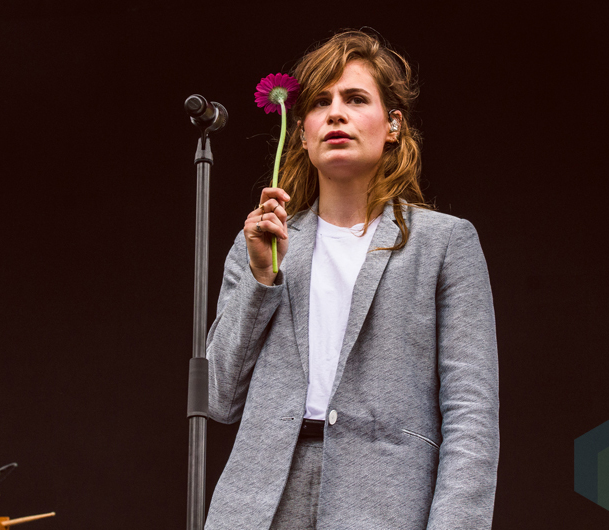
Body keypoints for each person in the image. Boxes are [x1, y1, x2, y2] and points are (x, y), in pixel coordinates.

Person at [204, 30, 499, 530]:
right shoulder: (262, 242)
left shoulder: (445, 243)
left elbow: (472, 415)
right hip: (259, 504)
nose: (336, 113)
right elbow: (218, 398)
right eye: (320, 103)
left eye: (356, 99)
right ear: (302, 133)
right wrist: (260, 280)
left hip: (385, 501)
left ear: (393, 125)